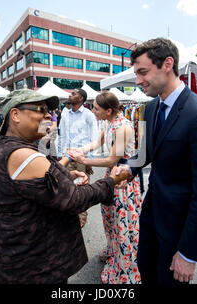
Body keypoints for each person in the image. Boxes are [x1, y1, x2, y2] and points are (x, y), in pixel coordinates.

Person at [0, 89, 132, 284]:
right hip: (33, 266)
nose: (49, 115)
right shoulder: (24, 154)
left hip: (27, 259)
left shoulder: (12, 146)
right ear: (15, 115)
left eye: (49, 111)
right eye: (41, 109)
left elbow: (42, 179)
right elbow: (75, 199)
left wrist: (68, 169)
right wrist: (110, 182)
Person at [117, 38, 197, 284]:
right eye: (136, 73)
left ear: (168, 64)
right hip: (151, 218)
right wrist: (127, 168)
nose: (138, 81)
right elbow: (145, 153)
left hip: (179, 230)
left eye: (143, 72)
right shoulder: (151, 108)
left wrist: (189, 252)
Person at [68, 91, 142, 284]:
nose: (93, 112)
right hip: (113, 175)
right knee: (110, 218)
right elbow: (98, 142)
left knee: (121, 222)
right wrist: (81, 150)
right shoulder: (109, 122)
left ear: (109, 110)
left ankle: (124, 263)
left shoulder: (124, 127)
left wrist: (85, 160)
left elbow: (112, 159)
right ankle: (113, 249)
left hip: (123, 178)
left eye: (96, 109)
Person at [58, 88, 99, 228]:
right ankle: (70, 214)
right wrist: (60, 156)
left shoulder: (88, 115)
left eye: (73, 93)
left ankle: (82, 217)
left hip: (83, 157)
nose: (70, 95)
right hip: (67, 157)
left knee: (82, 186)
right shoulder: (65, 114)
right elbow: (61, 135)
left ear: (81, 98)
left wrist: (89, 160)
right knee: (66, 186)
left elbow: (94, 137)